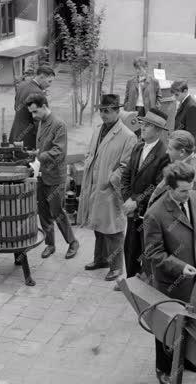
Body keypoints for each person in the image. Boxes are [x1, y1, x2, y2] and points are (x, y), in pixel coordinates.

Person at [144, 161, 196, 384]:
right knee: (168, 325)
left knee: (192, 322)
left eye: (190, 188)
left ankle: (190, 359)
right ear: (170, 188)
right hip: (172, 283)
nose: (187, 194)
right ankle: (163, 367)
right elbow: (154, 253)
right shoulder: (155, 214)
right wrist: (181, 267)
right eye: (182, 191)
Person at [78, 94, 137, 281]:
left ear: (117, 111)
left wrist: (112, 179)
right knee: (98, 225)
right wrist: (88, 163)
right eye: (101, 111)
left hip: (111, 189)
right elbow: (90, 152)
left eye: (107, 111)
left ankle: (116, 267)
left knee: (113, 229)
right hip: (94, 185)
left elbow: (127, 166)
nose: (103, 115)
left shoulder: (128, 136)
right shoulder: (98, 129)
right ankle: (100, 259)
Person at [26, 93, 79, 259]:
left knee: (57, 211)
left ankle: (73, 242)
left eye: (35, 111)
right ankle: (50, 244)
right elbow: (43, 147)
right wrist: (34, 153)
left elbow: (59, 151)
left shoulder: (59, 124)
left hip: (55, 176)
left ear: (43, 106)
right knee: (43, 212)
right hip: (42, 174)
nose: (33, 116)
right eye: (31, 113)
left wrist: (38, 156)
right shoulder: (41, 122)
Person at [121, 109, 171, 278]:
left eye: (148, 126)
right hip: (132, 210)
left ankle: (147, 282)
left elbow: (157, 186)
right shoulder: (138, 147)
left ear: (158, 130)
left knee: (147, 249)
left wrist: (136, 202)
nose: (143, 128)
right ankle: (130, 280)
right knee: (130, 247)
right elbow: (126, 175)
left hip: (149, 212)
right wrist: (127, 199)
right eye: (143, 124)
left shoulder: (164, 154)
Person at [148, 130, 196, 208]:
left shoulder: (192, 179)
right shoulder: (182, 163)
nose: (167, 152)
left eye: (170, 149)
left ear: (182, 152)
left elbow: (190, 213)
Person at [9, 65, 56, 149]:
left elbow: (16, 107)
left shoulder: (22, 85)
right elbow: (42, 119)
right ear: (41, 77)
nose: (50, 85)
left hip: (15, 132)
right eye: (49, 81)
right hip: (29, 138)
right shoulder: (38, 93)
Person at [171, 80, 196, 153]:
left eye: (177, 95)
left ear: (185, 91)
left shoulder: (191, 106)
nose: (174, 97)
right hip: (182, 143)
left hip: (186, 147)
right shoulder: (183, 102)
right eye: (174, 95)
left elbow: (191, 133)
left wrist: (185, 150)